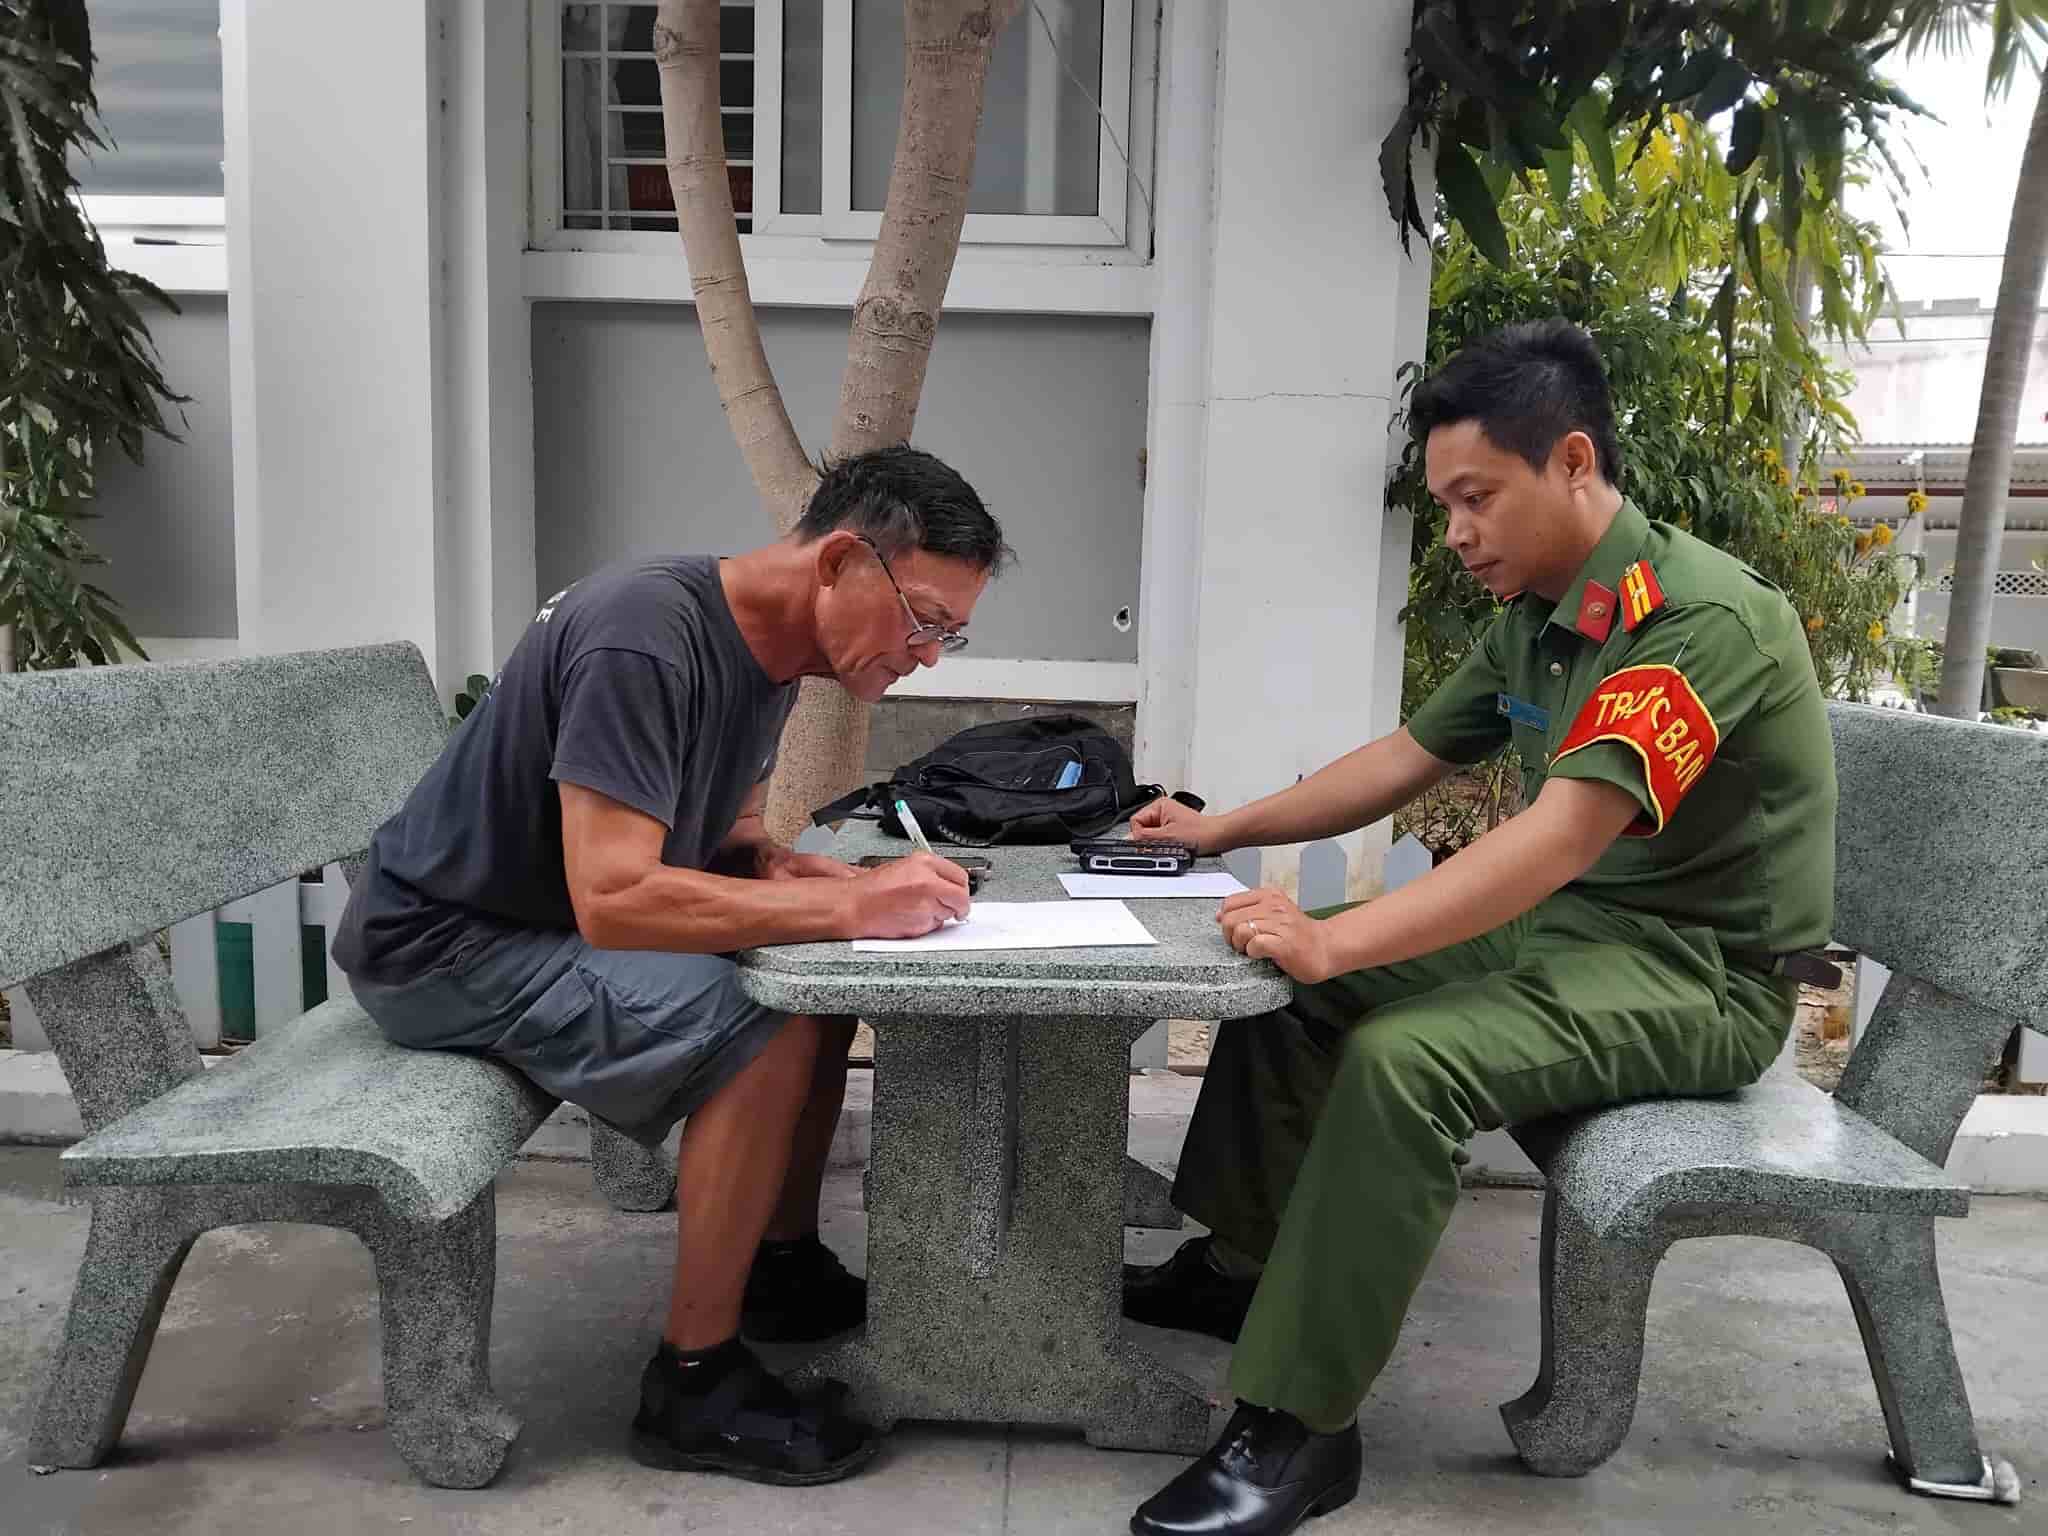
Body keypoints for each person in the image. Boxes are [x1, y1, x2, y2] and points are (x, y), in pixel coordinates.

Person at [1118, 319, 1837, 1536]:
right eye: (1443, 502)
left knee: (1403, 1058)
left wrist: (1341, 935)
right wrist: (1218, 830)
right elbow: (1403, 758)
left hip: (1699, 977)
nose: (1454, 532)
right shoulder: (1537, 616)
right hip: (1574, 933)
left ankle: (1297, 1430)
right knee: (1289, 981)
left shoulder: (1692, 621)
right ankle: (1244, 1269)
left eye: (1473, 497)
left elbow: (1560, 836)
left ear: (1569, 463)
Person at [332, 444, 1009, 1487]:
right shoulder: (644, 636)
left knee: (815, 988)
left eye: (947, 634)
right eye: (921, 620)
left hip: (538, 921)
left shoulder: (777, 656)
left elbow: (720, 831)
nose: (926, 656)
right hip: (447, 945)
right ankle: (693, 1380)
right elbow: (614, 899)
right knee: (769, 1019)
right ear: (837, 562)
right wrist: (847, 903)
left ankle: (776, 1268)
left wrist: (778, 869)